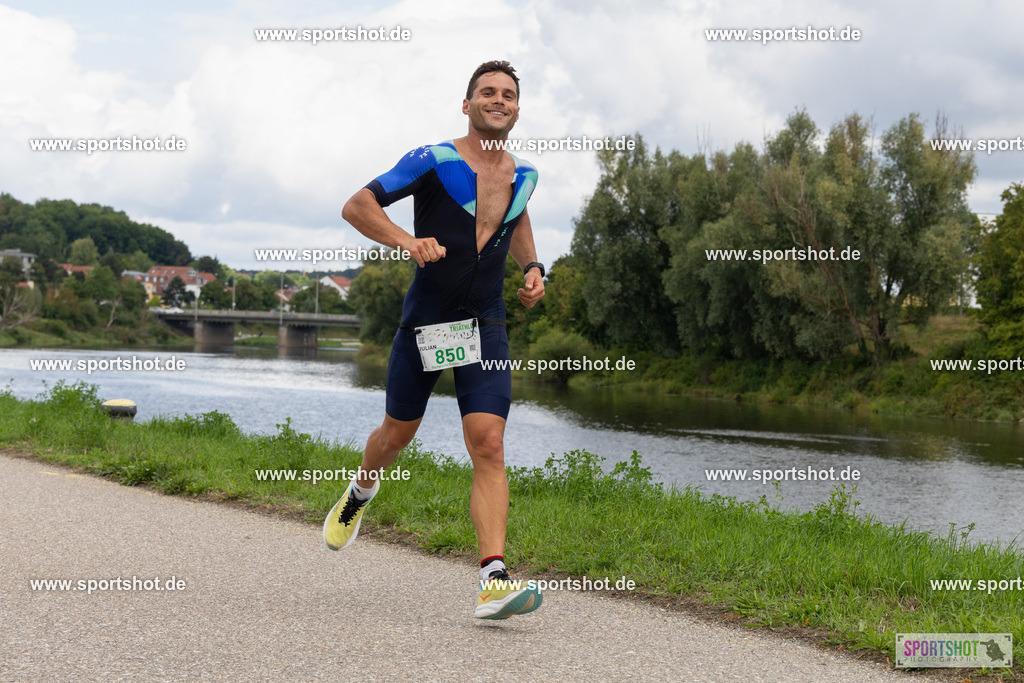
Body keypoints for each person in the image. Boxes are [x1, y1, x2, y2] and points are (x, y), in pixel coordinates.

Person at [323, 60, 546, 620]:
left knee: (488, 442)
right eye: (488, 92)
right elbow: (358, 205)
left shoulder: (523, 176)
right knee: (397, 434)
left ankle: (493, 579)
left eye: (509, 95)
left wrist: (533, 267)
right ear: (467, 105)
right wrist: (406, 240)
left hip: (485, 321)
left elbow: (515, 221)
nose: (499, 100)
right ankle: (361, 491)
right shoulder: (432, 160)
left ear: (517, 109)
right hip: (428, 321)